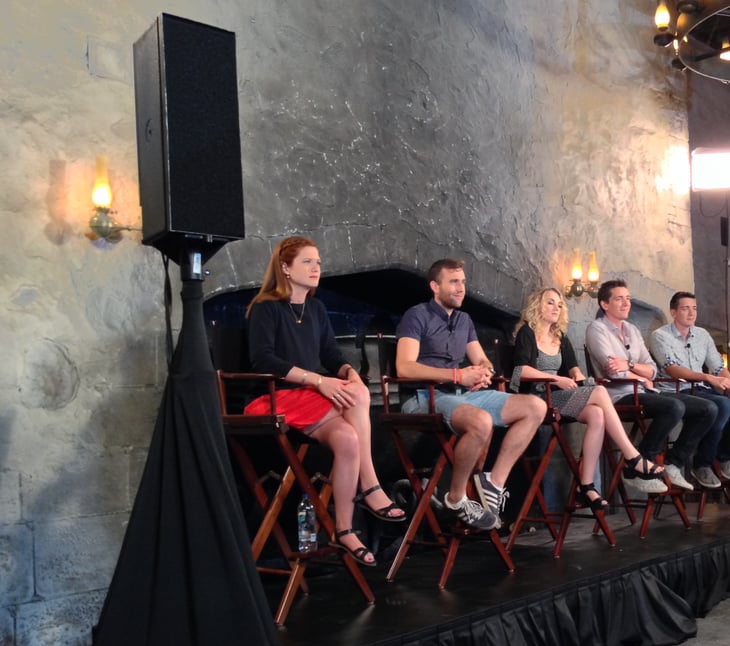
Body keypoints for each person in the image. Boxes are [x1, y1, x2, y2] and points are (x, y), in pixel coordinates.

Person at [244, 236, 404, 568]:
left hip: (311, 396)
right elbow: (263, 361)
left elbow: (331, 355)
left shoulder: (316, 309)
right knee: (355, 400)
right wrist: (319, 380)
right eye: (307, 262)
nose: (316, 268)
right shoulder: (265, 308)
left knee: (349, 433)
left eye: (318, 262)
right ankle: (370, 485)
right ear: (285, 268)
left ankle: (344, 529)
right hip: (276, 396)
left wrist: (349, 372)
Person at [395, 259, 547, 529]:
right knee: (481, 421)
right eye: (453, 282)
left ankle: (493, 482)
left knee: (535, 407)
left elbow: (481, 359)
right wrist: (458, 376)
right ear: (435, 286)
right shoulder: (416, 315)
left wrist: (483, 373)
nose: (461, 288)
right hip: (423, 396)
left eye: (463, 282)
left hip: (462, 395)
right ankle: (456, 497)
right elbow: (404, 367)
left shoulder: (464, 320)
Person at [510, 288, 668, 511]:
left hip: (557, 398)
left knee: (597, 413)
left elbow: (573, 369)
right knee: (601, 394)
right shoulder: (527, 333)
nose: (556, 308)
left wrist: (577, 376)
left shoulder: (559, 337)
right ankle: (632, 457)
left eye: (559, 304)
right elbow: (520, 371)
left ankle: (585, 486)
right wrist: (555, 379)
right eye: (550, 303)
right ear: (537, 307)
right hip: (536, 399)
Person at [585, 279, 717, 491]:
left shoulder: (632, 330)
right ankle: (637, 467)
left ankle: (674, 463)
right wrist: (639, 375)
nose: (626, 303)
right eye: (619, 299)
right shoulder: (596, 329)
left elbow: (652, 369)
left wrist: (630, 366)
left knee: (707, 408)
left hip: (646, 391)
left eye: (627, 298)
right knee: (674, 407)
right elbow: (616, 373)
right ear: (604, 304)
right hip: (618, 396)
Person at [650, 291, 730, 486]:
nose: (691, 313)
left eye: (694, 309)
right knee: (722, 405)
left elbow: (719, 367)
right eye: (685, 308)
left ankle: (723, 458)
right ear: (673, 312)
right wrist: (707, 377)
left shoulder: (702, 335)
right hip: (676, 390)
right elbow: (672, 370)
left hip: (701, 389)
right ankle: (702, 464)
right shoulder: (660, 336)